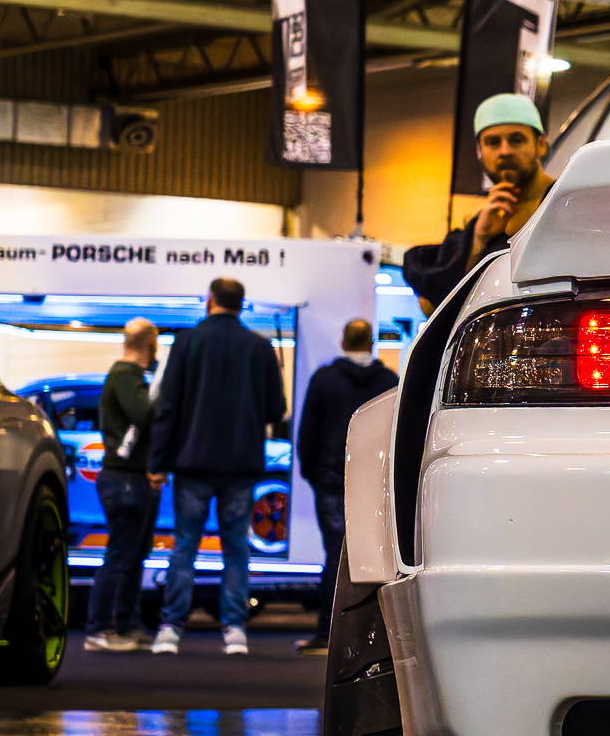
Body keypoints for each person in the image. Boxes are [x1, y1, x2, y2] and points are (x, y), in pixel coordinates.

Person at [148, 277, 288, 658]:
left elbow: (167, 407)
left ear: (209, 300)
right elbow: (277, 409)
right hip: (240, 463)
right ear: (241, 304)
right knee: (236, 549)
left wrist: (157, 462)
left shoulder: (186, 342)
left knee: (185, 546)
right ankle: (235, 630)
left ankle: (170, 629)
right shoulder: (259, 347)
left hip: (192, 463)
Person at [294, 318, 398, 656]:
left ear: (343, 342)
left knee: (335, 556)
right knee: (373, 558)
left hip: (332, 480)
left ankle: (327, 633)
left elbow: (307, 433)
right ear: (371, 342)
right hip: (374, 482)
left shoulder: (324, 379)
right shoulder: (390, 381)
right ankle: (371, 639)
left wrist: (314, 474)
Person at [400, 93, 556, 308]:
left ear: (540, 144)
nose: (505, 151)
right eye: (493, 142)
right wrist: (477, 242)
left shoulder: (564, 200)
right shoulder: (482, 223)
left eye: (516, 140)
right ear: (479, 152)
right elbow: (429, 307)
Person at [83, 318, 164, 651]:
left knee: (133, 555)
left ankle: (129, 626)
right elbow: (143, 415)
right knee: (120, 556)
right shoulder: (126, 376)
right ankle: (99, 629)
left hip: (130, 477)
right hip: (125, 478)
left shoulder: (126, 376)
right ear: (151, 344)